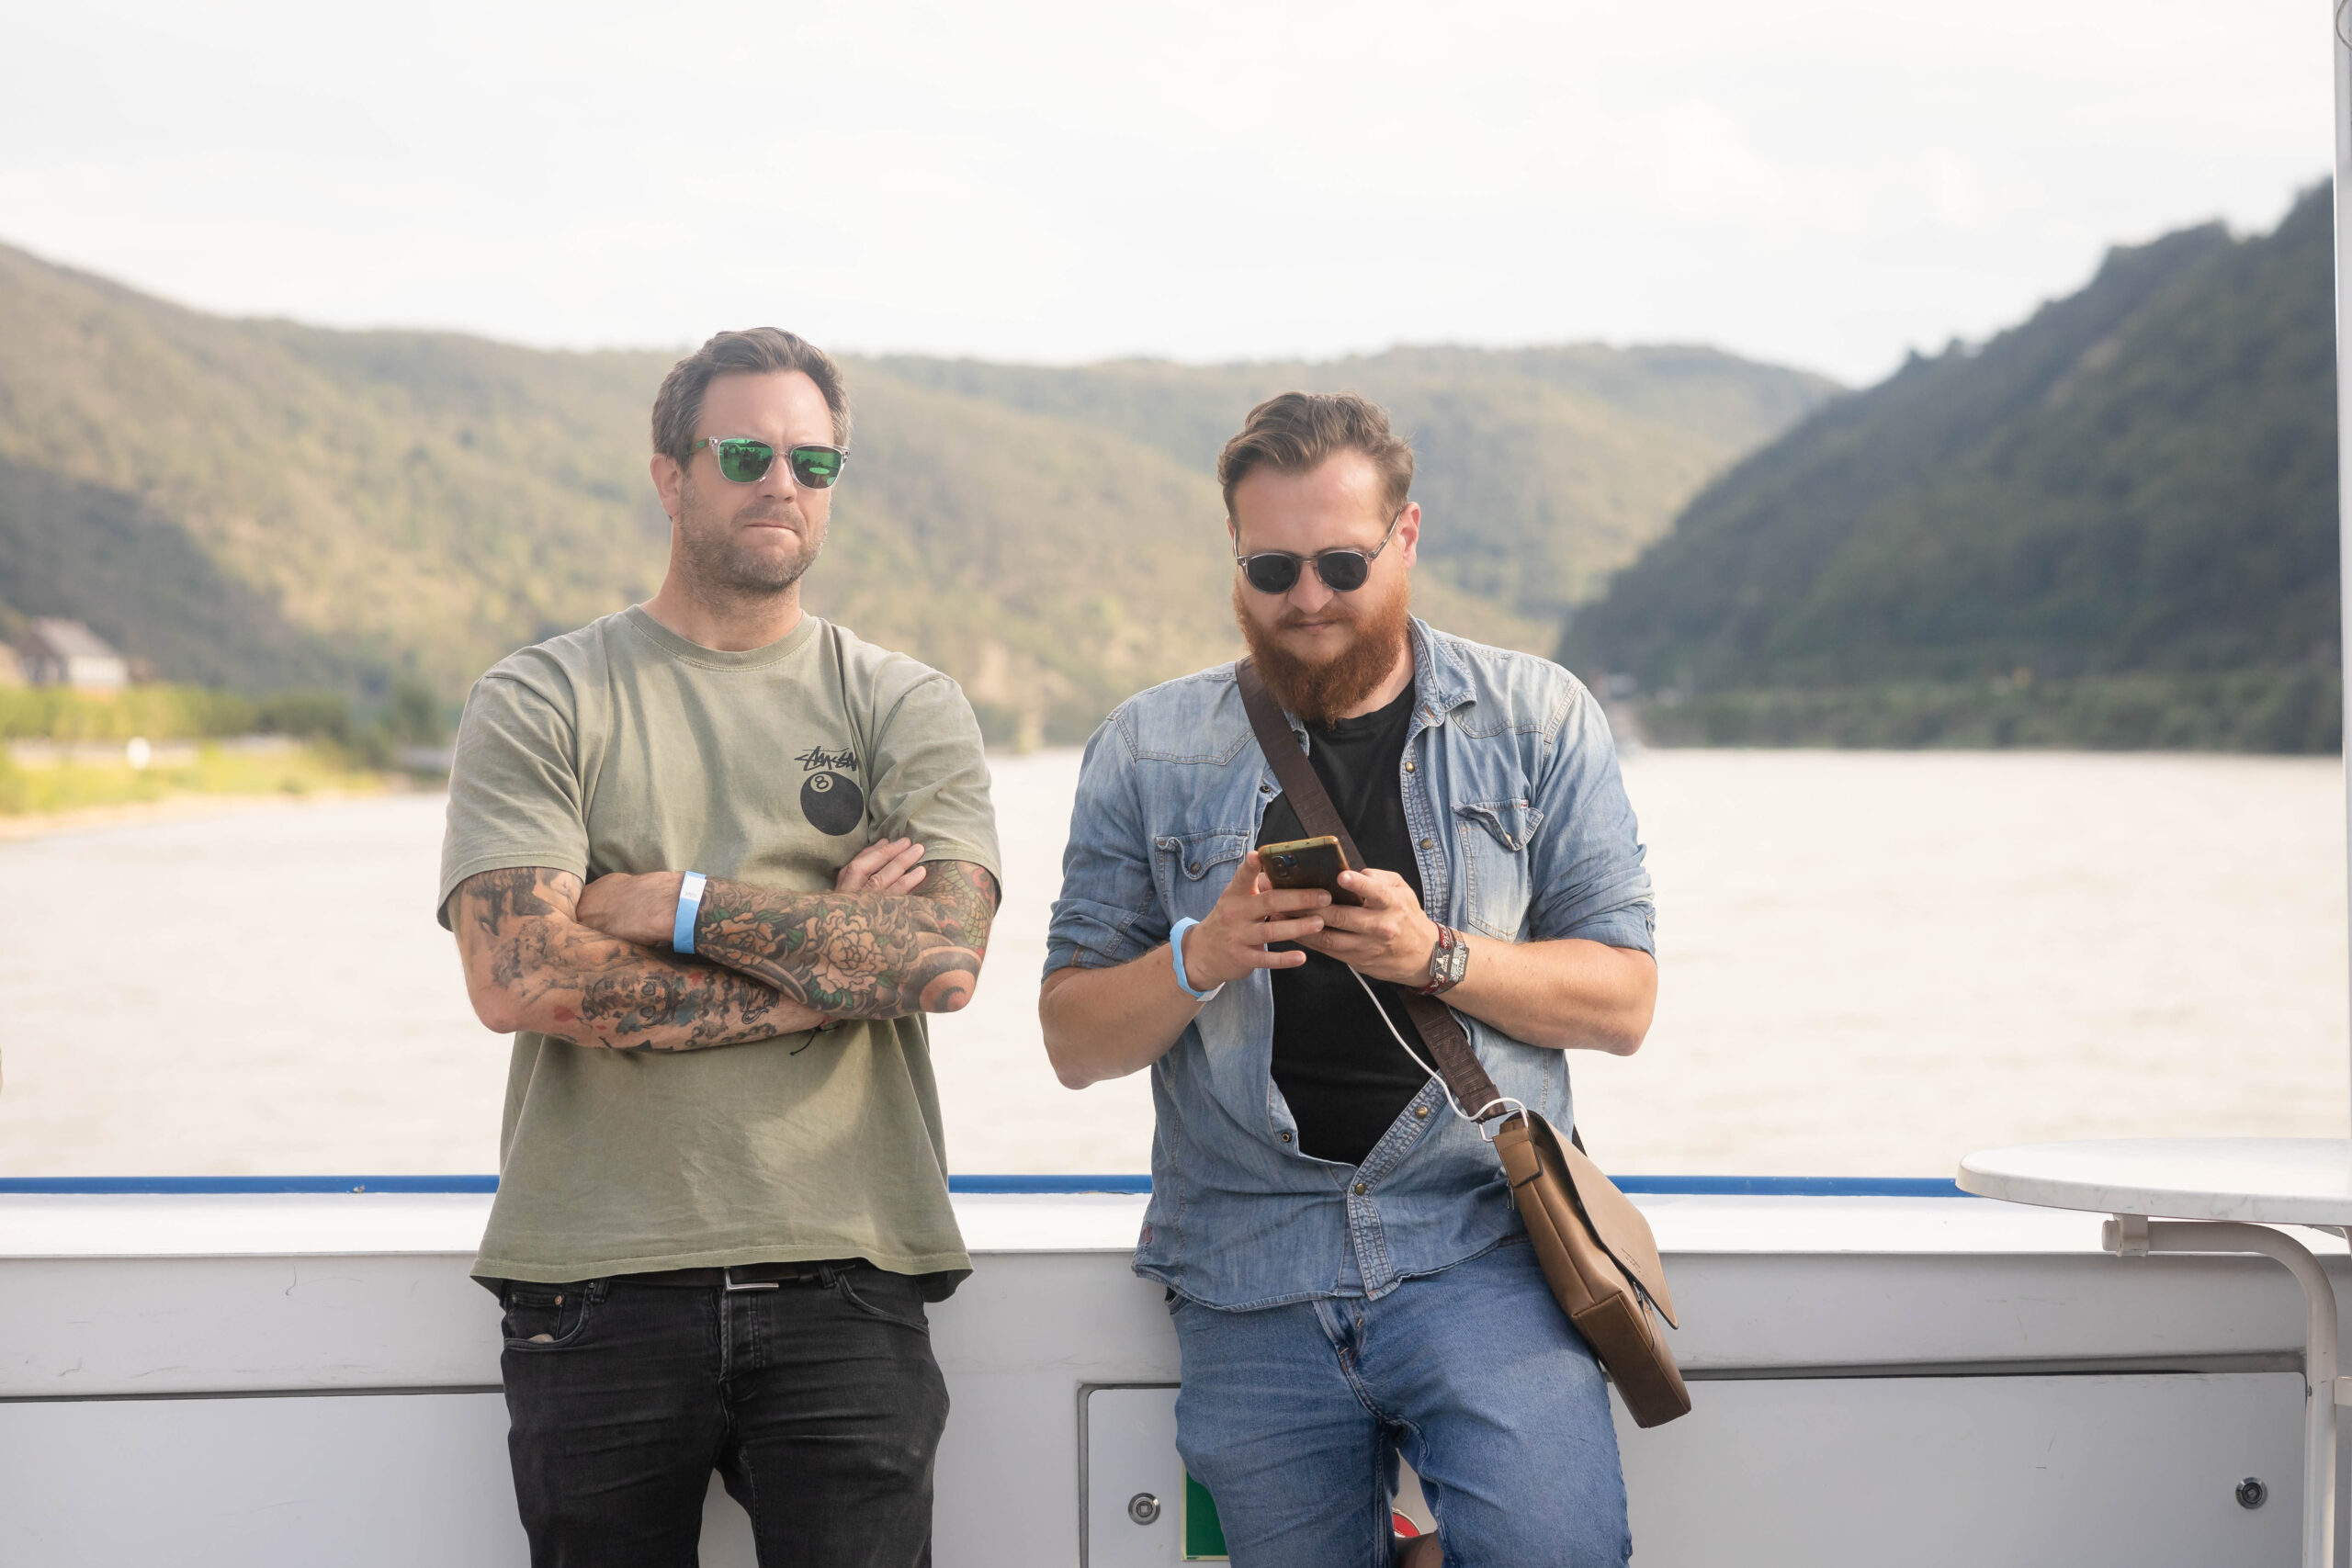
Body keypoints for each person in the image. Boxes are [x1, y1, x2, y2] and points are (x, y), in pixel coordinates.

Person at [1040, 391, 1657, 1567]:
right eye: (1272, 569)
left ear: (1405, 537)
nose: (1308, 597)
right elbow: (1074, 1041)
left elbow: (1623, 1002)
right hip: (1245, 1261)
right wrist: (1202, 954)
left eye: (1341, 562)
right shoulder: (1145, 745)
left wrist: (1435, 956)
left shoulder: (1535, 718)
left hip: (1479, 1242)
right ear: (1234, 555)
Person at [436, 327, 1001, 1568]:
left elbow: (941, 959)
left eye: (814, 461)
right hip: (592, 1276)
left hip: (849, 1265)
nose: (782, 483)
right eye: (745, 454)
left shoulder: (904, 702)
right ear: (670, 475)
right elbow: (521, 976)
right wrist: (830, 971)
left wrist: (680, 904)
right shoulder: (542, 697)